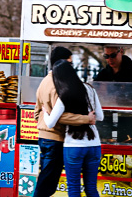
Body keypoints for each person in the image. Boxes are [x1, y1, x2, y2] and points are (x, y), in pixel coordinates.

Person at [34, 47, 96, 197]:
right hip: (55, 137)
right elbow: (58, 117)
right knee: (47, 182)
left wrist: (43, 123)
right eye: (69, 63)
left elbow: (37, 112)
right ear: (61, 63)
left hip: (45, 136)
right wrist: (86, 119)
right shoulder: (57, 84)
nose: (72, 67)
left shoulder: (44, 81)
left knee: (47, 179)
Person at [44, 60, 103, 197]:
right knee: (91, 189)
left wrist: (46, 113)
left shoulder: (64, 95)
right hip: (94, 145)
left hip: (74, 146)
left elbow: (50, 123)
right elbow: (100, 116)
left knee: (74, 189)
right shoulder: (90, 89)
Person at [94, 46, 132, 142]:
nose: (110, 59)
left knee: (127, 145)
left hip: (128, 119)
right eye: (107, 56)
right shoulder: (103, 74)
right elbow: (96, 93)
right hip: (106, 120)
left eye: (113, 55)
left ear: (121, 51)